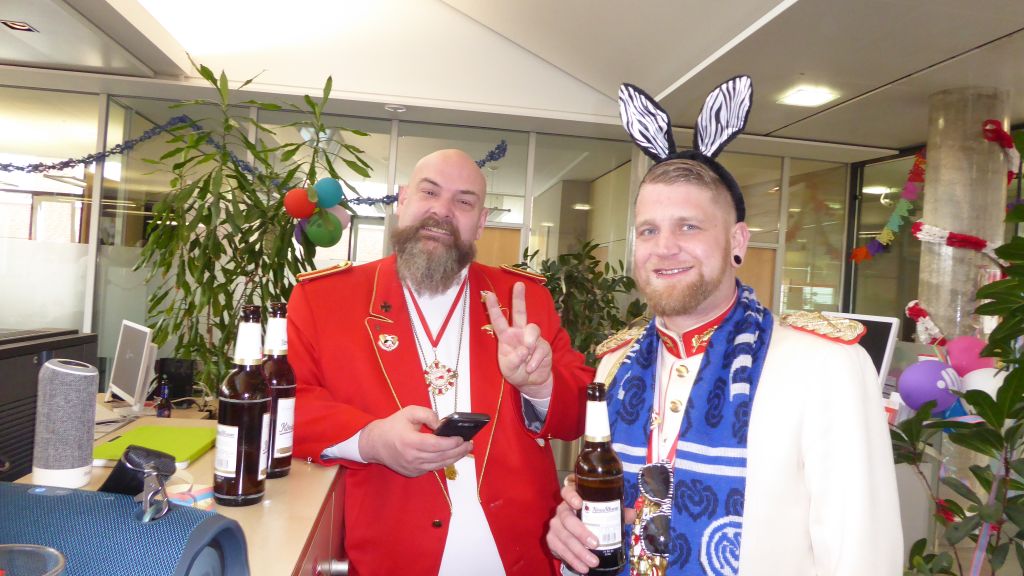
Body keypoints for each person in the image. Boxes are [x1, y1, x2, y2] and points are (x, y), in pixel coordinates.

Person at [547, 78, 902, 575]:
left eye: (688, 226)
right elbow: (601, 504)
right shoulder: (616, 365)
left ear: (737, 241)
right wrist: (573, 531)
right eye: (649, 230)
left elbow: (861, 557)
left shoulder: (825, 366)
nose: (664, 247)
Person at [288, 148, 594, 576]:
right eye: (429, 192)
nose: (443, 210)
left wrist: (540, 386)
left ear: (481, 222)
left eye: (463, 202)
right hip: (392, 552)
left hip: (522, 552)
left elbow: (582, 408)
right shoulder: (325, 299)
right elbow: (286, 405)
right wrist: (371, 440)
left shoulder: (522, 298)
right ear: (403, 200)